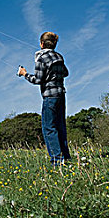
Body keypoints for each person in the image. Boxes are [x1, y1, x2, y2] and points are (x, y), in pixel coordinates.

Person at [18, 32, 71, 165]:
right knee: (60, 127)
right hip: (61, 95)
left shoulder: (41, 58)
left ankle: (57, 161)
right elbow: (65, 73)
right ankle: (66, 158)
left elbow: (37, 80)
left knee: (49, 128)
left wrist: (24, 74)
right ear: (54, 43)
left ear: (41, 43)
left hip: (49, 97)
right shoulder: (59, 56)